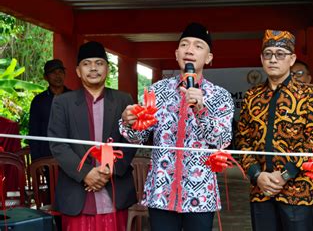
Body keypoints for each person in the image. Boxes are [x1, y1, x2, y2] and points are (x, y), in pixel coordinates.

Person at [120, 22, 234, 231]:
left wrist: (200, 109)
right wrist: (130, 122)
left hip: (200, 194)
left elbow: (222, 140)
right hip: (162, 191)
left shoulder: (220, 96)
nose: (190, 50)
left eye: (198, 46)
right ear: (176, 53)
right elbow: (138, 137)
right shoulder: (156, 91)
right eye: (184, 45)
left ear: (208, 58)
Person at [236, 30, 313, 231]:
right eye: (268, 54)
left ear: (292, 59)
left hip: (298, 189)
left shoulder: (309, 94)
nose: (273, 59)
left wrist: (283, 175)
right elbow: (242, 140)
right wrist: (257, 175)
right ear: (261, 58)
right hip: (260, 188)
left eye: (280, 54)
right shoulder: (252, 95)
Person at [48, 41, 137, 231]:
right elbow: (58, 144)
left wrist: (107, 170)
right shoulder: (62, 102)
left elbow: (131, 139)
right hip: (77, 193)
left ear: (107, 68)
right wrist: (86, 173)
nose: (93, 68)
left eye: (99, 63)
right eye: (87, 63)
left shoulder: (124, 100)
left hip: (114, 190)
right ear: (78, 71)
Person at [290, 59, 313, 231]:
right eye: (291, 74)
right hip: (289, 168)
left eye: (299, 73)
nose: (295, 77)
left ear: (309, 78)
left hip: (310, 167)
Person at [28, 59, 70, 160]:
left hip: (71, 155)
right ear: (45, 77)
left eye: (60, 72)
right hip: (46, 155)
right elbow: (34, 131)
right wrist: (36, 159)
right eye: (53, 72)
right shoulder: (39, 101)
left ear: (64, 74)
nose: (57, 75)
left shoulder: (73, 98)